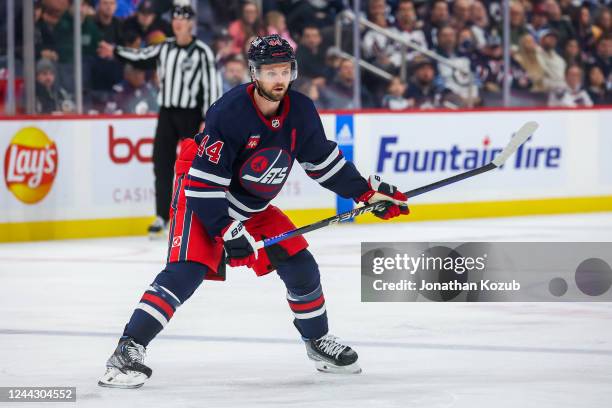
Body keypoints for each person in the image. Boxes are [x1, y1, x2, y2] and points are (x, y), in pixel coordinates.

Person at [97, 34, 410, 389]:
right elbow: (203, 185)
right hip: (203, 196)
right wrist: (226, 230)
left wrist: (366, 193)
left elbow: (324, 164)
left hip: (251, 204)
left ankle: (317, 342)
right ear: (254, 73)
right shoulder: (229, 113)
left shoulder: (302, 110)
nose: (278, 79)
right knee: (187, 272)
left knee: (300, 265)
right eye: (269, 71)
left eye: (284, 70)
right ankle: (128, 348)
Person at [97, 0, 222, 237]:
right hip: (167, 113)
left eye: (183, 19)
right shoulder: (164, 48)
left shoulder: (202, 52)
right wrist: (114, 51)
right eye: (175, 19)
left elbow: (212, 86)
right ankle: (161, 216)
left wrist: (208, 118)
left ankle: (195, 214)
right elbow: (141, 56)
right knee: (161, 164)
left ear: (191, 23)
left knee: (194, 168)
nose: (177, 23)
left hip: (192, 115)